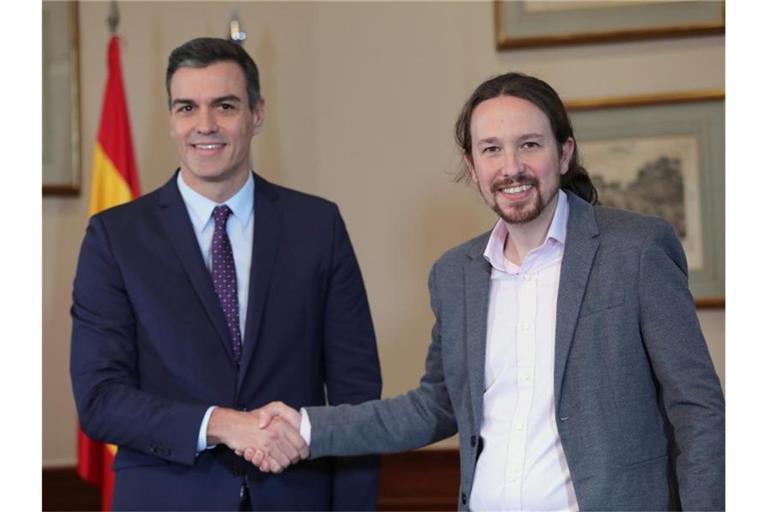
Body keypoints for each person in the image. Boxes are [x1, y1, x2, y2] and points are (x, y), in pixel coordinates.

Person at [249, 72, 725, 511]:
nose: (511, 167)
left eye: (530, 145)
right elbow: (435, 405)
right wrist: (307, 426)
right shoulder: (455, 275)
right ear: (472, 165)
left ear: (563, 153)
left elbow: (698, 407)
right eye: (491, 149)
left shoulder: (635, 249)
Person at [70, 37, 382, 511]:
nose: (205, 125)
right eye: (187, 107)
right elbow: (99, 398)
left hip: (296, 498)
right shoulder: (116, 237)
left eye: (225, 105)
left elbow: (356, 395)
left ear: (257, 113)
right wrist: (221, 423)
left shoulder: (318, 227)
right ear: (171, 119)